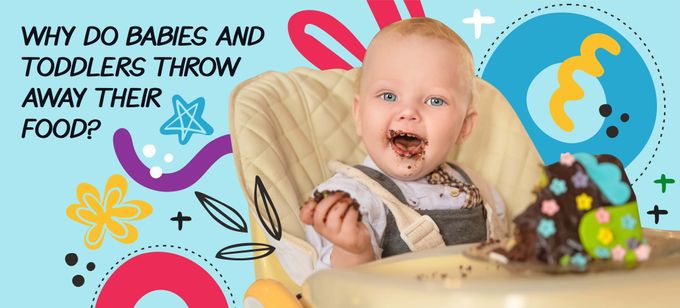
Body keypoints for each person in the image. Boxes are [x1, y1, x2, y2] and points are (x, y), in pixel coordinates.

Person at [299, 17, 507, 270]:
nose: (408, 111)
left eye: (435, 101)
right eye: (388, 96)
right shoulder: (353, 200)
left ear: (464, 127)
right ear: (359, 115)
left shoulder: (478, 189)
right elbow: (339, 293)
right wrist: (353, 250)